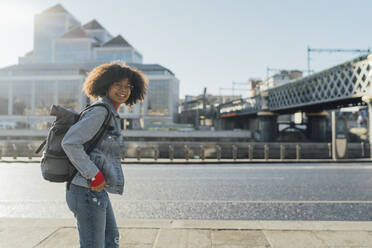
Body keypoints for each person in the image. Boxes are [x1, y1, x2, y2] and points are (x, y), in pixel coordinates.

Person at [62, 62, 148, 247]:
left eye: (128, 86)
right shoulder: (100, 111)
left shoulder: (110, 112)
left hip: (95, 191)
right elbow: (70, 143)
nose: (123, 90)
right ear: (106, 85)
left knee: (111, 241)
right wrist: (95, 175)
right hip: (86, 190)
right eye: (118, 85)